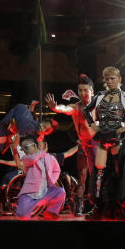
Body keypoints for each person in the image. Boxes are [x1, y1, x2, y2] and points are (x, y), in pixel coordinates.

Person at [83, 66, 125, 219]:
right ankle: (100, 206)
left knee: (120, 172)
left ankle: (121, 206)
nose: (110, 81)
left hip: (119, 138)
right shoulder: (99, 96)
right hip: (103, 136)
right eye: (107, 79)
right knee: (100, 172)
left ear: (119, 79)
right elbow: (86, 110)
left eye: (113, 78)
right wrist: (92, 124)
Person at [45, 74, 97, 215]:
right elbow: (65, 108)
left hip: (98, 147)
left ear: (92, 91)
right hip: (84, 147)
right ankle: (79, 206)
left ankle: (99, 205)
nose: (82, 93)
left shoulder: (98, 106)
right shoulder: (76, 107)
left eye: (85, 90)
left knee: (97, 177)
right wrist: (55, 108)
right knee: (82, 177)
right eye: (80, 90)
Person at [14, 135, 66, 220]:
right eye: (23, 148)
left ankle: (50, 212)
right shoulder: (27, 158)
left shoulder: (49, 157)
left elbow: (56, 170)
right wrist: (42, 153)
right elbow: (33, 158)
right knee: (22, 215)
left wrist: (52, 180)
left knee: (61, 192)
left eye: (26, 147)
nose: (24, 150)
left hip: (45, 192)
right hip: (30, 195)